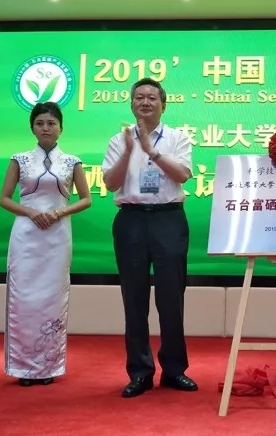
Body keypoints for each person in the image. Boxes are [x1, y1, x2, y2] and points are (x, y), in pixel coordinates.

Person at [102, 77, 196, 398]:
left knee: (171, 297)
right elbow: (110, 183)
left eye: (152, 98)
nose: (145, 102)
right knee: (134, 298)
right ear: (131, 104)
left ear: (163, 105)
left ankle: (174, 370)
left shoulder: (178, 138)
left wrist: (150, 151)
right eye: (139, 97)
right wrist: (129, 151)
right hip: (131, 221)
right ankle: (140, 372)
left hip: (169, 219)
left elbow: (182, 174)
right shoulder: (118, 140)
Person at [0, 102, 92, 387]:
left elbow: (86, 199)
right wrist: (31, 212)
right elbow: (4, 199)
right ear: (32, 128)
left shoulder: (72, 162)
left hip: (57, 235)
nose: (45, 128)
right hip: (26, 235)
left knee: (52, 297)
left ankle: (48, 365)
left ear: (61, 128)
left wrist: (59, 213)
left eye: (51, 123)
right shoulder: (19, 160)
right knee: (23, 298)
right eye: (40, 123)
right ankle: (23, 368)